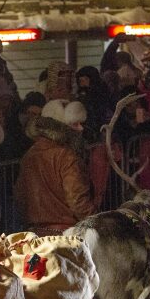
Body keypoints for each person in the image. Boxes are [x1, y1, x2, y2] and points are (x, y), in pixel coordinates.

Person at [15, 99, 95, 234]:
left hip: (36, 234)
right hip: (66, 235)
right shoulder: (66, 156)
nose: (81, 128)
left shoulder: (29, 155)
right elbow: (78, 201)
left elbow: (21, 197)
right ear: (62, 126)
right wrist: (98, 225)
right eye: (75, 124)